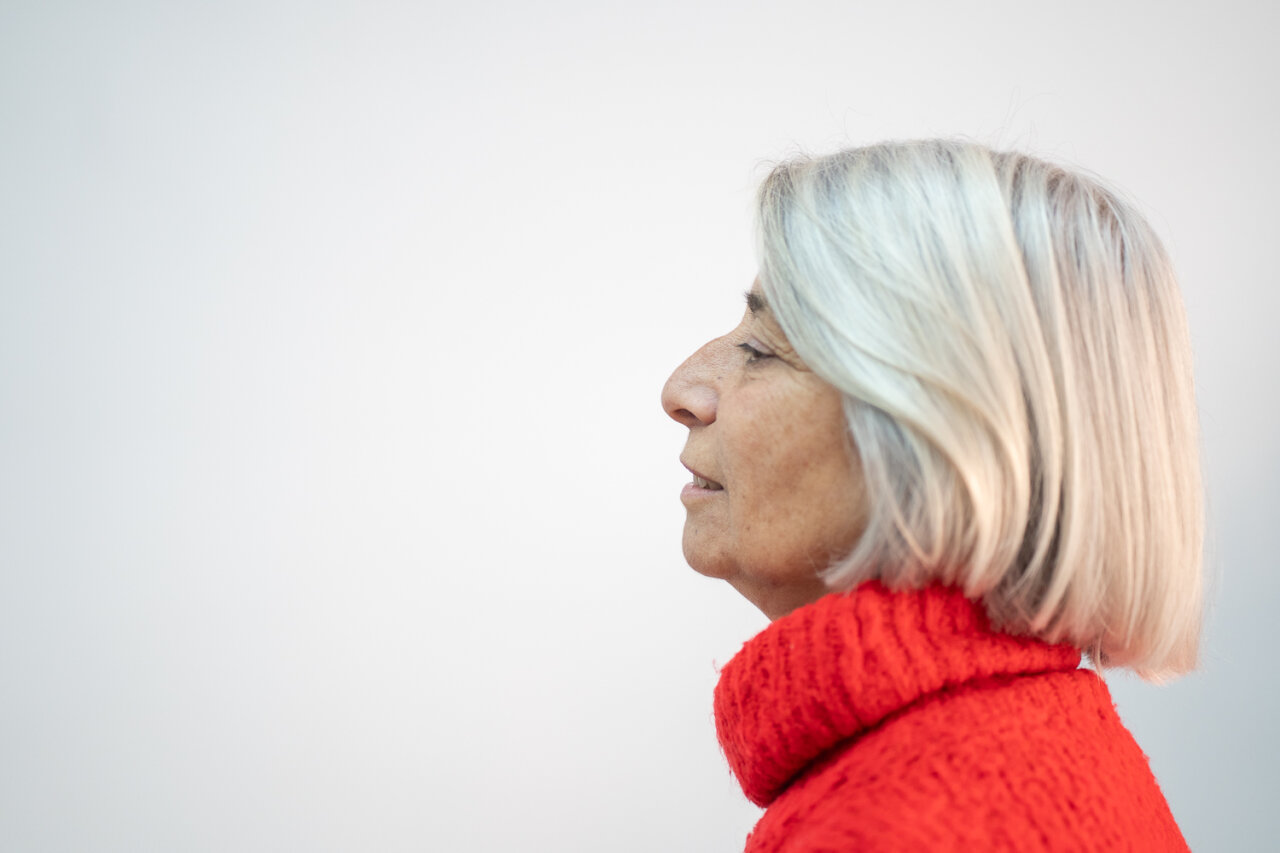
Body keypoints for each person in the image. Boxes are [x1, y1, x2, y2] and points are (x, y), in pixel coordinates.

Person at [661, 139, 1202, 851]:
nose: (682, 390)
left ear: (946, 430)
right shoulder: (1043, 749)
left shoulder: (898, 824)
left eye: (762, 349)